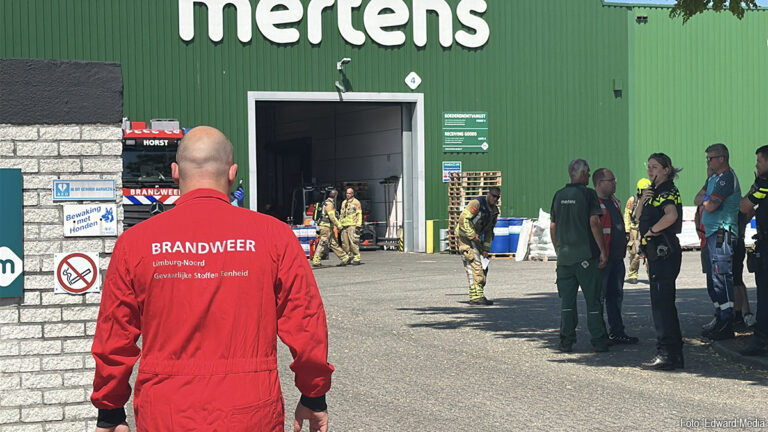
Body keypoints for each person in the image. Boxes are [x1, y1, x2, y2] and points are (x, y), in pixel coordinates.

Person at [90, 126, 334, 432]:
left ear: (175, 172)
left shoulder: (135, 243)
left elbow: (114, 335)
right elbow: (306, 322)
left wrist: (110, 410)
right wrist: (314, 395)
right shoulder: (274, 236)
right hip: (250, 410)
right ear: (232, 173)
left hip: (167, 410)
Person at [550, 159, 610, 353]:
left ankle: (566, 341)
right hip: (586, 256)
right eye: (588, 173)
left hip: (565, 258)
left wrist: (558, 250)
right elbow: (594, 222)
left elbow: (553, 226)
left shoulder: (559, 195)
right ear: (583, 174)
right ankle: (599, 341)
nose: (589, 176)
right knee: (593, 301)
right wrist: (602, 250)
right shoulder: (588, 194)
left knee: (567, 302)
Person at [635, 153, 684, 371]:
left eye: (655, 167)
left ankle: (667, 353)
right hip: (656, 253)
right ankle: (673, 352)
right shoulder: (653, 192)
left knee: (662, 305)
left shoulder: (666, 191)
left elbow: (671, 215)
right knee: (662, 303)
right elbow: (637, 218)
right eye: (649, 167)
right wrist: (642, 200)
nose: (650, 170)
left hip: (664, 251)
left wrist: (652, 231)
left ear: (666, 170)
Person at [693, 143, 741, 341]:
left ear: (721, 158)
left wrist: (707, 200)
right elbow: (697, 198)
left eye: (710, 158)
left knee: (722, 275)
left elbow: (711, 206)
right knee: (714, 279)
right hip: (711, 232)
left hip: (723, 231)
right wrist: (707, 198)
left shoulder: (726, 178)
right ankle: (720, 316)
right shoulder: (713, 178)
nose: (708, 162)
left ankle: (728, 321)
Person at [593, 168, 639, 345]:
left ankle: (617, 331)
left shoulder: (614, 201)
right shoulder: (594, 203)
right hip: (602, 259)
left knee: (616, 296)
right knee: (600, 297)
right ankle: (600, 335)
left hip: (616, 258)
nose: (614, 183)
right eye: (611, 180)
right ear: (599, 183)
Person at [738, 145, 768, 356]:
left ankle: (761, 340)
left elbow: (744, 206)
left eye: (759, 161)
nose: (756, 165)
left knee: (764, 295)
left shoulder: (764, 186)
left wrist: (755, 184)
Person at [455, 187, 500, 305]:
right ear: (488, 194)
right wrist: (471, 235)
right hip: (465, 237)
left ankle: (478, 294)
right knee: (474, 265)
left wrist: (486, 249)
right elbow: (463, 219)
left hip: (477, 239)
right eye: (493, 196)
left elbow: (489, 231)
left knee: (483, 268)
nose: (495, 199)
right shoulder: (477, 203)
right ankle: (476, 297)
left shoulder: (494, 211)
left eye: (497, 197)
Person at [312, 189, 351, 268]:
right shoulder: (329, 204)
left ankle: (345, 258)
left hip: (327, 227)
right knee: (323, 243)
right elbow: (332, 217)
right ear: (335, 196)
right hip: (326, 227)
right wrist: (339, 225)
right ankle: (316, 260)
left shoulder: (326, 203)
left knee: (333, 243)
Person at [732, 211, 756, 332]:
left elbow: (750, 211)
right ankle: (742, 313)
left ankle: (742, 313)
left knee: (736, 279)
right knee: (735, 279)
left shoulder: (736, 204)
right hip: (734, 237)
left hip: (735, 239)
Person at [624, 178, 652, 284]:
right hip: (635, 231)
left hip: (648, 230)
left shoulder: (652, 200)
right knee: (635, 254)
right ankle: (632, 275)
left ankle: (651, 275)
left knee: (649, 253)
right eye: (644, 190)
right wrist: (627, 230)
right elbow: (627, 214)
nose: (646, 192)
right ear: (640, 190)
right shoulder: (633, 200)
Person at [339, 187, 362, 265]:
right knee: (344, 243)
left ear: (352, 194)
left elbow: (359, 214)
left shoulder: (356, 202)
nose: (348, 195)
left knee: (353, 242)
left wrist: (358, 225)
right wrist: (340, 224)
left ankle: (357, 258)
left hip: (352, 225)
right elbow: (341, 214)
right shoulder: (344, 202)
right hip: (344, 225)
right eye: (347, 193)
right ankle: (347, 257)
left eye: (349, 193)